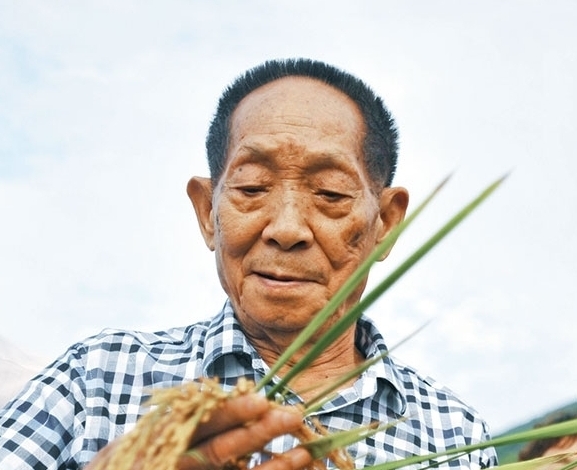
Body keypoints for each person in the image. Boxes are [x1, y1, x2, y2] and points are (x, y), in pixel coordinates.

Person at [0, 58, 498, 469]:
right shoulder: (96, 382)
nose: (286, 228)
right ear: (207, 212)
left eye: (329, 193)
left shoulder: (452, 437)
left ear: (386, 223)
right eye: (252, 187)